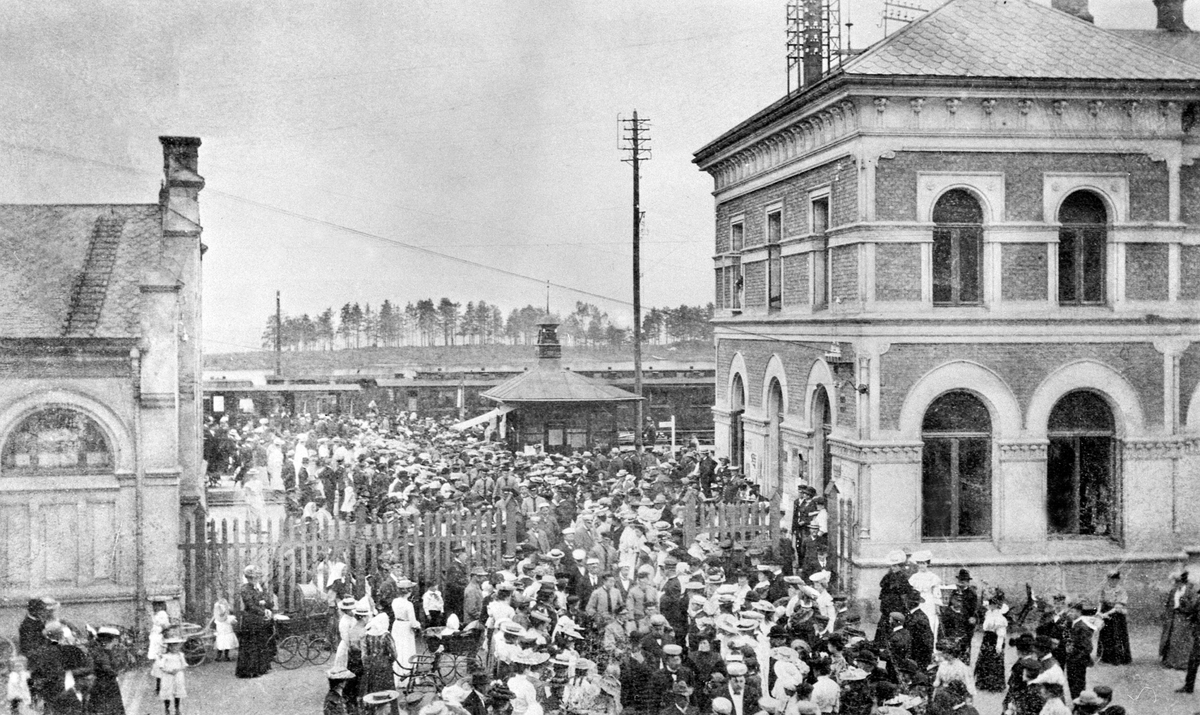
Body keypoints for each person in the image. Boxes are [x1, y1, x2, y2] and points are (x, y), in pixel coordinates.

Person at [235, 564, 273, 678]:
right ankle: (249, 670)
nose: (255, 580)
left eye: (257, 577)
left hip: (259, 619)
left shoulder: (259, 588)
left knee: (260, 643)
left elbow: (268, 600)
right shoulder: (245, 589)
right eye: (252, 578)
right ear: (248, 578)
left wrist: (265, 606)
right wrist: (263, 611)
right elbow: (250, 606)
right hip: (250, 620)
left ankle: (261, 668)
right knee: (251, 645)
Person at [1097, 571, 1131, 666]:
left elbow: (1118, 606)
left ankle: (1118, 657)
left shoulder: (1121, 590)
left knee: (1116, 635)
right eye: (1110, 579)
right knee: (1106, 635)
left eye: (1115, 579)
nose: (1112, 581)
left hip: (1116, 615)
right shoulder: (1104, 589)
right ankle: (1106, 657)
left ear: (1118, 580)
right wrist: (1099, 612)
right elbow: (1100, 601)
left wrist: (1106, 614)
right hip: (1105, 612)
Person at [89, 627, 126, 715]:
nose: (118, 640)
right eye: (116, 638)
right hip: (107, 685)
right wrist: (116, 673)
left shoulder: (103, 651)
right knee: (109, 709)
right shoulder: (104, 653)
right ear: (112, 639)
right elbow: (107, 668)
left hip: (102, 684)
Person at [1161, 569, 1194, 670]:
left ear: (1182, 581)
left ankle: (1182, 663)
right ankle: (1170, 661)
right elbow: (1169, 603)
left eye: (1177, 582)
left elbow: (1193, 605)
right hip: (1172, 617)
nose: (1175, 584)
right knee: (1171, 639)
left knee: (1181, 640)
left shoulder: (1189, 591)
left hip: (1184, 618)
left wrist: (1183, 605)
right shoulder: (1174, 590)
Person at [390, 579, 420, 686]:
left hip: (397, 625)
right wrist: (418, 625)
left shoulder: (395, 601)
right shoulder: (408, 605)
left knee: (398, 649)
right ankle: (406, 677)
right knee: (407, 649)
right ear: (409, 591)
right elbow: (413, 622)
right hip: (406, 627)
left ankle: (398, 674)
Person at [974, 596, 1007, 692]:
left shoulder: (1000, 617)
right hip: (987, 639)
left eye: (993, 604)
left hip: (994, 639)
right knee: (984, 660)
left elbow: (1001, 633)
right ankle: (983, 683)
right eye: (990, 604)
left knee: (993, 661)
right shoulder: (989, 614)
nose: (990, 606)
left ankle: (994, 685)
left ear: (997, 605)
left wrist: (999, 645)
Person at [361, 613, 396, 696]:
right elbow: (394, 652)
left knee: (373, 689)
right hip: (385, 664)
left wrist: (366, 665)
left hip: (372, 664)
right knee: (387, 690)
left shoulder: (367, 635)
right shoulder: (386, 635)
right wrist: (391, 660)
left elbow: (364, 655)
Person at [157, 637, 187, 715]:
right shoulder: (165, 656)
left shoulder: (180, 655)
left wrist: (178, 670)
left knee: (178, 691)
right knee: (167, 691)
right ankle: (167, 709)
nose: (175, 648)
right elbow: (161, 666)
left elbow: (184, 665)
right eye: (173, 646)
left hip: (178, 675)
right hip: (168, 676)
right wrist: (168, 671)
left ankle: (177, 709)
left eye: (177, 646)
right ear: (169, 647)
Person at [208, 598, 238, 662]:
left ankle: (219, 657)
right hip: (226, 634)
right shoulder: (229, 618)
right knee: (225, 646)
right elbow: (235, 622)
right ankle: (225, 657)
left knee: (221, 646)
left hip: (222, 634)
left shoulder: (218, 619)